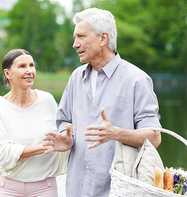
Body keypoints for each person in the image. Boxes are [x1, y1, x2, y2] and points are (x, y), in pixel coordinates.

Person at [43, 8, 162, 196]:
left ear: (103, 38)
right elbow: (63, 121)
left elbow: (155, 137)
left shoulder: (137, 80)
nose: (75, 44)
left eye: (81, 36)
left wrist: (116, 133)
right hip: (77, 189)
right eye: (75, 37)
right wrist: (65, 136)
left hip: (118, 190)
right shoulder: (75, 78)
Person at [0, 49, 68, 197]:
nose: (29, 71)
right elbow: (4, 154)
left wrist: (67, 138)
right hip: (7, 187)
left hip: (45, 187)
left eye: (31, 65)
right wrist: (48, 146)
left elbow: (61, 136)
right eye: (22, 66)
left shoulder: (47, 100)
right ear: (7, 74)